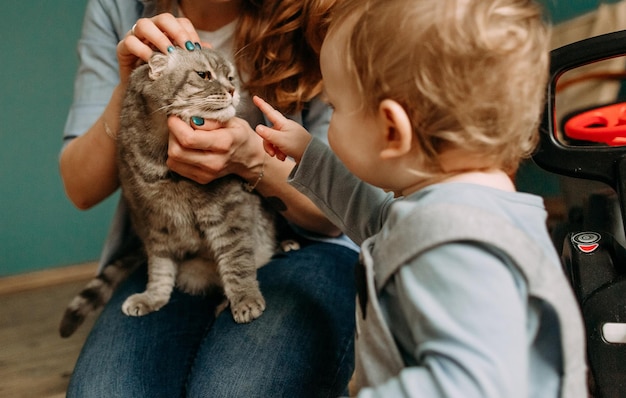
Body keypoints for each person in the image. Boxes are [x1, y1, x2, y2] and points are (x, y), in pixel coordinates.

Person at [253, 0, 589, 396]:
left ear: (393, 130)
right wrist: (311, 155)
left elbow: (468, 387)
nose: (331, 115)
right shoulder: (464, 208)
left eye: (335, 107)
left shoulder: (459, 250)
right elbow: (385, 227)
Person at [59, 0, 358, 397]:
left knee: (236, 389)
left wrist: (252, 161)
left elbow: (339, 211)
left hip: (307, 239)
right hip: (175, 245)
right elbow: (80, 190)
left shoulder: (316, 9)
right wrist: (131, 89)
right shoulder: (118, 7)